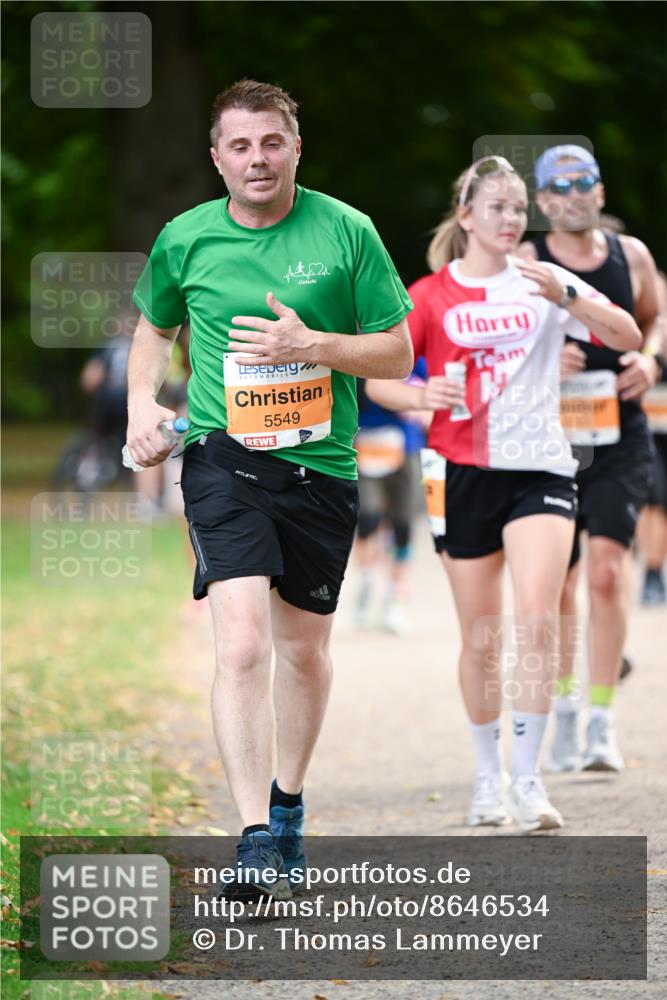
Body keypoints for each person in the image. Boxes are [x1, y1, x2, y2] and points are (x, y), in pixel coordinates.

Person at [125, 80, 413, 898]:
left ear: (294, 148)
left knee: (303, 651)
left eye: (271, 142)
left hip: (319, 467)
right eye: (240, 146)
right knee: (243, 643)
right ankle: (252, 835)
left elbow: (394, 353)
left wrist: (313, 342)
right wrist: (144, 401)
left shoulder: (346, 230)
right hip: (224, 460)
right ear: (217, 158)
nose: (257, 159)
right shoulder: (185, 238)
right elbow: (154, 324)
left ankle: (287, 804)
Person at [367, 156, 641, 833]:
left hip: (542, 469)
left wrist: (568, 297)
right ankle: (486, 780)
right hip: (460, 472)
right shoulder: (428, 295)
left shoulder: (544, 284)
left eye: (517, 208)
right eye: (496, 207)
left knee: (538, 620)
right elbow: (379, 379)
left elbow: (626, 335)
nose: (510, 219)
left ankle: (528, 781)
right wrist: (417, 395)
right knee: (482, 640)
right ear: (465, 217)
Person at [518, 145, 663, 772]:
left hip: (620, 431)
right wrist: (545, 357)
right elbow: (502, 341)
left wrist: (650, 360)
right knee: (562, 583)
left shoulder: (631, 256)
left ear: (600, 193)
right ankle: (569, 705)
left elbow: (656, 318)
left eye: (585, 183)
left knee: (606, 572)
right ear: (543, 201)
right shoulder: (528, 261)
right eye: (559, 187)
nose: (574, 194)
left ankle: (603, 720)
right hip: (548, 438)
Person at [353, 361, 428, 633]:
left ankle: (395, 598)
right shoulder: (357, 335)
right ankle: (369, 581)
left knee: (403, 526)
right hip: (364, 442)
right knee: (367, 519)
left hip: (405, 445)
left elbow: (430, 387)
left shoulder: (414, 342)